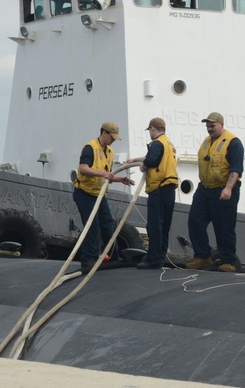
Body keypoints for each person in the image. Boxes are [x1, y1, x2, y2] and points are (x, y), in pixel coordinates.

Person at [72, 121, 134, 273]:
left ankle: (113, 256)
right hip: (85, 193)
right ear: (104, 133)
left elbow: (108, 175)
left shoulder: (110, 152)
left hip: (99, 194)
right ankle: (89, 260)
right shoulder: (90, 148)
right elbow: (83, 168)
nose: (113, 141)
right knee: (91, 226)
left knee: (107, 224)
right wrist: (103, 174)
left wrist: (120, 180)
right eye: (112, 137)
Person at [186, 112, 244, 272]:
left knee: (224, 226)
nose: (209, 129)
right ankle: (203, 256)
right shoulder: (206, 142)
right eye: (207, 126)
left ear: (221, 125)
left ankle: (228, 261)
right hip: (204, 189)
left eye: (212, 126)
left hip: (223, 189)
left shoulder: (233, 143)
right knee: (194, 221)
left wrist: (228, 188)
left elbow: (236, 168)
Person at [130, 117, 178, 269]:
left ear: (152, 128)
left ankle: (153, 259)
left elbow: (151, 160)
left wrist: (143, 166)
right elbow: (153, 157)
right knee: (164, 225)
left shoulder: (157, 143)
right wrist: (134, 160)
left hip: (159, 188)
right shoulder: (168, 143)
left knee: (154, 225)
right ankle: (160, 256)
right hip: (169, 189)